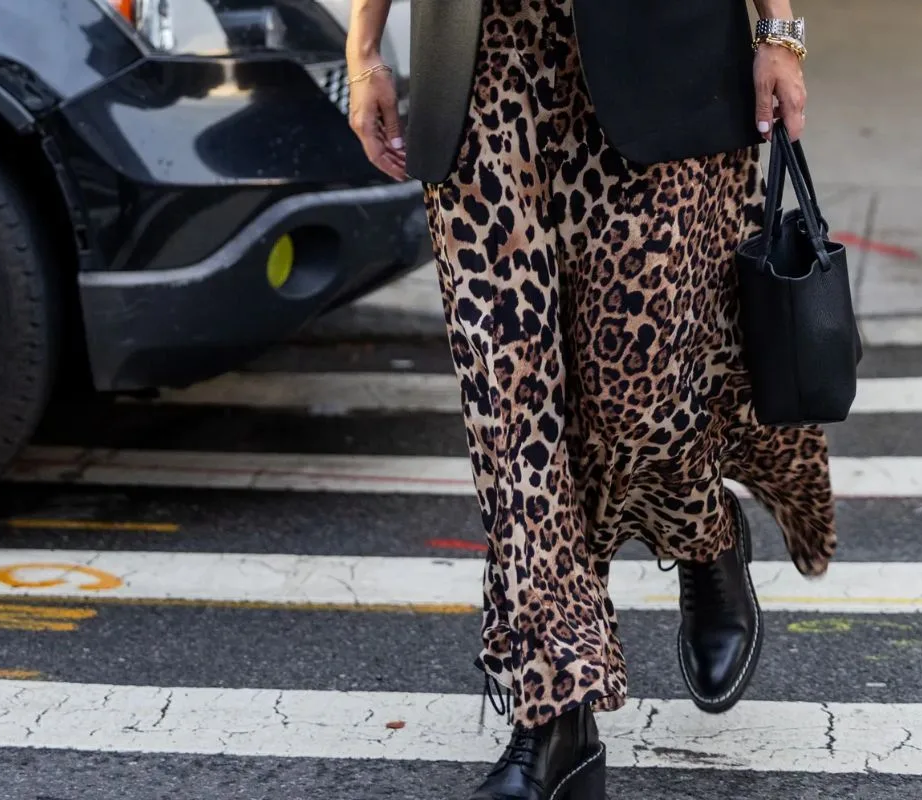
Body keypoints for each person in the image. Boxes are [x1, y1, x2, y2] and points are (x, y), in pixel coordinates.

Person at [346, 1, 837, 797]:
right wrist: (364, 48)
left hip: (663, 54)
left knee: (642, 391)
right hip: (482, 70)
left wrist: (778, 30)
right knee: (511, 409)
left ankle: (707, 536)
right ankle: (556, 721)